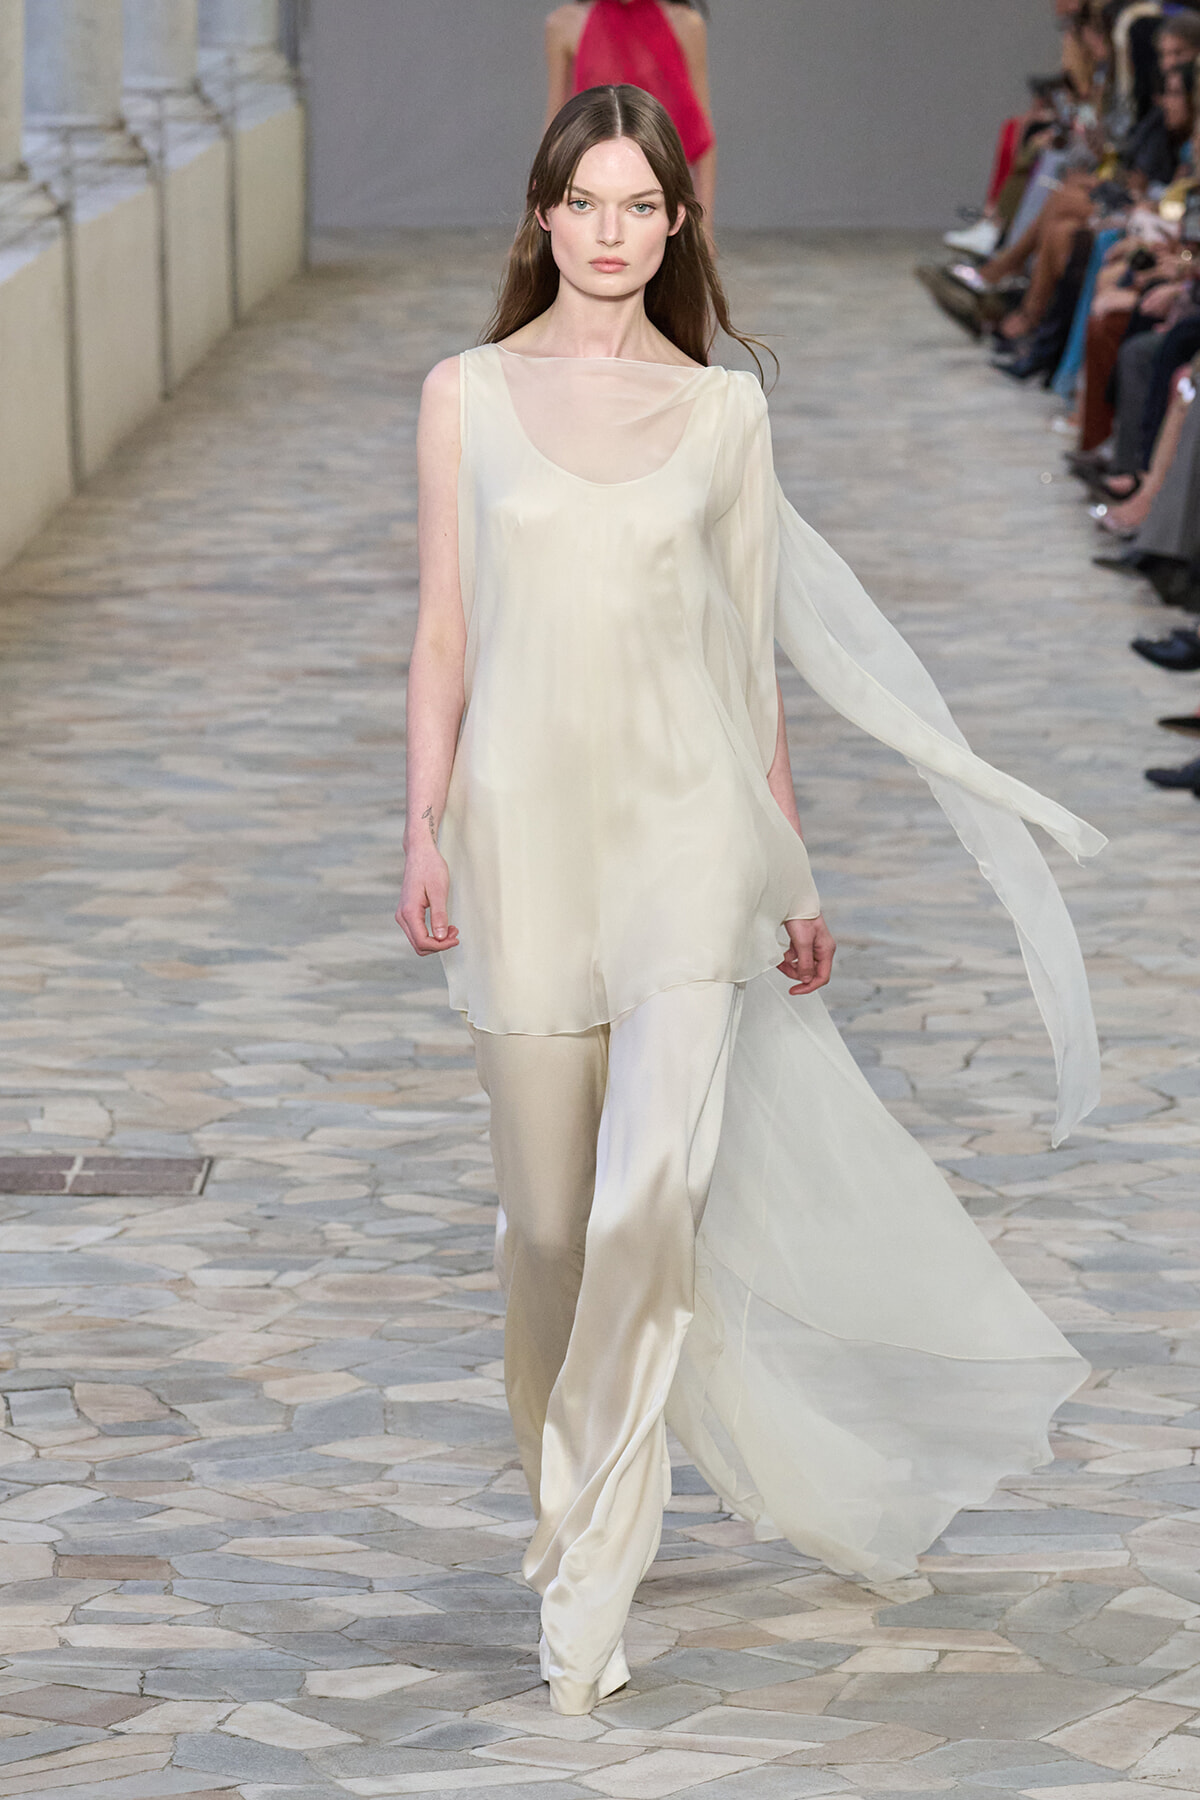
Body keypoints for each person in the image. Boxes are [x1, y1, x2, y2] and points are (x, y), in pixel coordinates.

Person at [397, 85, 1104, 1716]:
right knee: (552, 1232)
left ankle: (590, 1574)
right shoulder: (463, 400)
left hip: (684, 843)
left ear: (676, 225)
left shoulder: (724, 415)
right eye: (591, 205)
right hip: (519, 839)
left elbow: (749, 660)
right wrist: (419, 829)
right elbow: (442, 634)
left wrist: (786, 857)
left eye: (645, 208)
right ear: (545, 216)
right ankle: (572, 1503)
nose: (617, 234)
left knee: (649, 1211)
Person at [544, 0, 716, 220]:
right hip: (591, 188)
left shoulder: (686, 25)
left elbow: (701, 132)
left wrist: (704, 226)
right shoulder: (564, 24)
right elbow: (555, 127)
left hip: (659, 191)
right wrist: (537, 214)